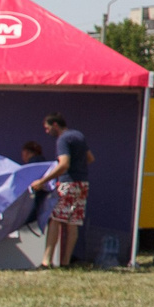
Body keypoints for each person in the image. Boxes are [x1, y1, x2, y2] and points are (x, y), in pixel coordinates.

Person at [38, 112, 90, 268]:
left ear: (55, 125)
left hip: (68, 184)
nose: (47, 132)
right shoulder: (78, 136)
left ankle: (46, 261)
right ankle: (65, 262)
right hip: (82, 184)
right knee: (72, 222)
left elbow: (64, 164)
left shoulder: (63, 139)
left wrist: (42, 181)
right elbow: (90, 158)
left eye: (47, 128)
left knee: (55, 220)